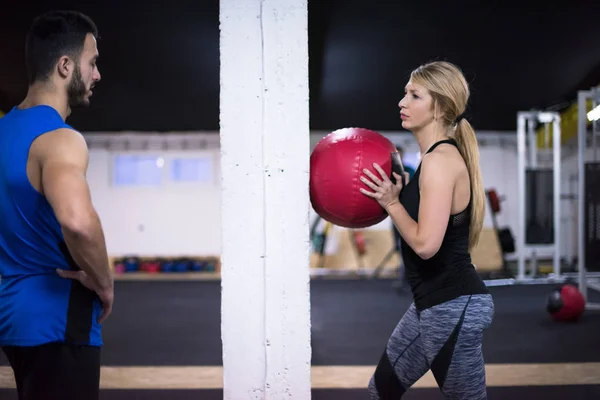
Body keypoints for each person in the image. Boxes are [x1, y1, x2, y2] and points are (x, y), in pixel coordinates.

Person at [360, 61, 495, 399]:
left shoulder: (440, 160)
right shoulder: (433, 161)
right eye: (405, 93)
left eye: (414, 95)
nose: (402, 102)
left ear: (439, 107)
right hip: (431, 305)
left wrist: (393, 204)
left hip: (452, 305)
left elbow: (426, 245)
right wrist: (403, 194)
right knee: (380, 391)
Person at [0, 10, 112, 400]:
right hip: (58, 321)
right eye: (92, 62)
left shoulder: (2, 132)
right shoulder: (60, 138)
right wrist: (104, 281)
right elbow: (78, 222)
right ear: (65, 66)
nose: (97, 74)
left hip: (12, 320)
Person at [391, 146, 415, 292]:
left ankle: (407, 280)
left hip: (409, 213)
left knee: (408, 248)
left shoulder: (410, 171)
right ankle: (405, 279)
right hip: (394, 213)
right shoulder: (389, 172)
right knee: (399, 247)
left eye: (400, 155)